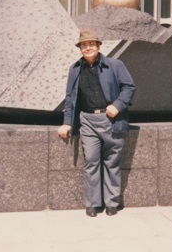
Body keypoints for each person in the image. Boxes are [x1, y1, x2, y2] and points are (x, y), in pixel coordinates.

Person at [58, 29, 136, 217]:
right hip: (87, 121)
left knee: (112, 162)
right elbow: (70, 98)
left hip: (111, 119)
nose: (88, 48)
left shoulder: (115, 65)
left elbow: (129, 87)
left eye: (91, 44)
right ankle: (93, 203)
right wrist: (67, 122)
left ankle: (111, 203)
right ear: (80, 49)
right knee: (91, 161)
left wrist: (117, 105)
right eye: (84, 45)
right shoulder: (75, 68)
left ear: (99, 46)